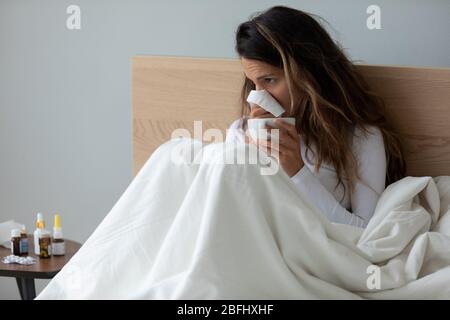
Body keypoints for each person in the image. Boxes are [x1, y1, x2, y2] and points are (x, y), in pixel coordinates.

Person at [227, 6, 406, 228]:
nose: (257, 96)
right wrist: (250, 157)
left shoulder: (360, 137)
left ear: (307, 75)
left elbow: (365, 232)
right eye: (253, 83)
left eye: (269, 80)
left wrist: (297, 173)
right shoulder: (240, 132)